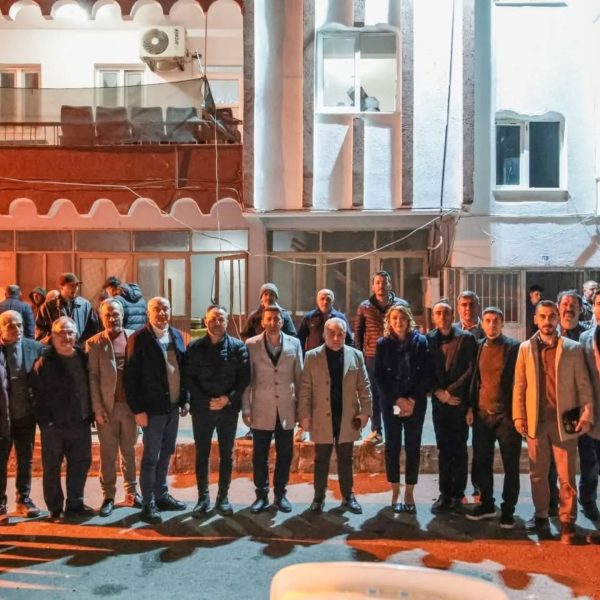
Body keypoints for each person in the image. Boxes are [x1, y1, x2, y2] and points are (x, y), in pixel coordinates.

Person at [513, 300, 593, 544]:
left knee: (566, 475)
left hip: (565, 420)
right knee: (537, 474)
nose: (547, 321)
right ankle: (541, 516)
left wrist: (587, 413)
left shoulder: (572, 348)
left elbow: (583, 384)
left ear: (558, 318)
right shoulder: (525, 348)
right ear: (535, 319)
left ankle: (567, 521)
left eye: (551, 316)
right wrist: (519, 415)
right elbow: (519, 385)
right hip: (536, 420)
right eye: (543, 316)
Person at [124, 297, 188, 524]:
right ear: (148, 313)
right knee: (151, 456)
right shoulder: (138, 339)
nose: (162, 313)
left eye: (165, 308)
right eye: (157, 309)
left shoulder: (177, 335)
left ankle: (161, 494)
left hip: (172, 408)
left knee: (167, 451)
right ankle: (148, 503)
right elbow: (130, 377)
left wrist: (184, 399)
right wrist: (138, 410)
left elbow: (183, 368)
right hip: (151, 411)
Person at [298, 318, 372, 514]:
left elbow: (364, 386)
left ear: (345, 335)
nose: (336, 338)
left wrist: (366, 412)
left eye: (340, 334)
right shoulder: (312, 356)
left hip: (347, 417)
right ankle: (318, 498)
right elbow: (305, 389)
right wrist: (304, 415)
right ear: (324, 335)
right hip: (321, 416)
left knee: (346, 459)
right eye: (332, 334)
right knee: (321, 459)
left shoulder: (356, 355)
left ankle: (348, 496)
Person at [183, 305, 250, 517]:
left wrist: (227, 399)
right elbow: (188, 378)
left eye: (221, 319)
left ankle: (223, 497)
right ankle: (203, 498)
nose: (217, 323)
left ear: (227, 321)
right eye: (213, 319)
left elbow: (244, 378)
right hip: (202, 409)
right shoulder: (194, 347)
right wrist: (206, 400)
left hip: (227, 410)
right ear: (205, 321)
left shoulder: (238, 347)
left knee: (226, 455)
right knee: (202, 454)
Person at [30, 317, 94, 522]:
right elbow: (35, 394)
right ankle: (55, 508)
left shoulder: (83, 357)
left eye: (70, 332)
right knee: (52, 468)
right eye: (61, 333)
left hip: (80, 422)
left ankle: (75, 503)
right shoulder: (44, 361)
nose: (66, 337)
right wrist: (46, 423)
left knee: (80, 464)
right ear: (53, 336)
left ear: (76, 335)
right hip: (54, 426)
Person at [242, 305, 303, 513]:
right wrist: (246, 409)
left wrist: (302, 409)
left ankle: (280, 494)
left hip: (286, 408)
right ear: (262, 322)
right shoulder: (251, 344)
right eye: (269, 319)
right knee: (260, 454)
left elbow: (300, 378)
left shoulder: (294, 343)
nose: (273, 322)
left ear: (282, 321)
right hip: (261, 408)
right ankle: (261, 495)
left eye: (277, 319)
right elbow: (247, 380)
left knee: (285, 453)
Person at [465, 307, 521, 528]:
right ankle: (487, 504)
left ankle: (508, 510)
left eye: (495, 321)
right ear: (482, 324)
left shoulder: (514, 348)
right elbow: (475, 380)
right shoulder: (478, 347)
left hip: (506, 417)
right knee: (482, 463)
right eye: (487, 320)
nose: (491, 325)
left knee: (511, 466)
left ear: (502, 323)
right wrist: (471, 408)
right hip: (482, 416)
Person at [85, 299, 141, 517]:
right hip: (107, 409)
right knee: (108, 453)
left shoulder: (134, 337)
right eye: (107, 315)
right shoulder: (94, 343)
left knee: (129, 451)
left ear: (122, 315)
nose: (112, 318)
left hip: (130, 407)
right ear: (101, 317)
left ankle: (131, 492)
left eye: (115, 314)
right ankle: (108, 495)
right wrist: (97, 408)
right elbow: (92, 377)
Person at [374, 304, 430, 513]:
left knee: (413, 447)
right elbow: (379, 376)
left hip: (416, 404)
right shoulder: (382, 344)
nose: (399, 322)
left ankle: (409, 492)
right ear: (389, 321)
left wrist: (412, 400)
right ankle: (395, 491)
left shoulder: (421, 342)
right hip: (391, 404)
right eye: (395, 318)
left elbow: (426, 374)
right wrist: (398, 400)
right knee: (392, 447)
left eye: (402, 318)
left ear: (408, 320)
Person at [427, 299, 477, 513]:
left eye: (446, 312)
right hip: (440, 404)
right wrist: (438, 392)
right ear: (433, 317)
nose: (442, 317)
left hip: (458, 402)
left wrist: (451, 392)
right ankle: (445, 494)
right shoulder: (428, 339)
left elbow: (471, 370)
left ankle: (458, 494)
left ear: (452, 315)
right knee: (444, 450)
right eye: (438, 313)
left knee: (460, 450)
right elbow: (424, 370)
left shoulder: (466, 338)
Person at [0, 311, 45, 521]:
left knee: (25, 459)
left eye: (19, 325)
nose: (16, 329)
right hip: (3, 417)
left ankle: (23, 500)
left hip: (26, 415)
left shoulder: (34, 347)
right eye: (11, 325)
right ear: (1, 328)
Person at [355, 270, 406, 445]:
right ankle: (376, 430)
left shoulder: (400, 305)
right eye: (377, 282)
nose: (381, 286)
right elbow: (358, 335)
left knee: (396, 392)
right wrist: (360, 357)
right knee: (374, 395)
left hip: (395, 357)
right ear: (372, 286)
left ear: (390, 285)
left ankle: (395, 427)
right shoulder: (364, 307)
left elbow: (408, 330)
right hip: (372, 357)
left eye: (384, 282)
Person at [576, 289, 600, 523]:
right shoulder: (584, 338)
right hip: (591, 409)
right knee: (588, 462)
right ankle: (588, 502)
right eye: (599, 304)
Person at [36, 273, 99, 345]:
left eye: (77, 285)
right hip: (56, 348)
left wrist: (83, 344)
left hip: (79, 348)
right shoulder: (48, 306)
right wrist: (55, 340)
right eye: (71, 285)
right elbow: (40, 331)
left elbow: (93, 329)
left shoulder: (85, 305)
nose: (75, 288)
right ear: (61, 287)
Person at [297, 289, 353, 355]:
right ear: (317, 301)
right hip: (314, 356)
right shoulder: (309, 317)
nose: (325, 302)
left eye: (328, 299)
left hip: (335, 356)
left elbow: (348, 340)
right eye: (322, 299)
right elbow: (301, 339)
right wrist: (303, 356)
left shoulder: (340, 318)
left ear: (333, 301)